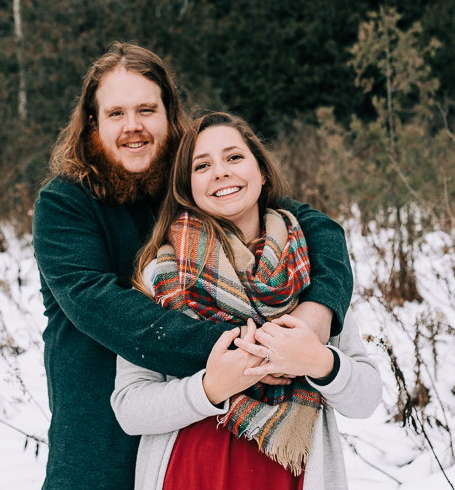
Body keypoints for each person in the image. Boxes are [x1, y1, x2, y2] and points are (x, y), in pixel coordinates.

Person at [32, 43, 353, 490]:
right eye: (116, 113)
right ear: (91, 123)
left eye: (146, 109)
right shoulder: (65, 204)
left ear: (170, 114)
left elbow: (318, 227)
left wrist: (319, 309)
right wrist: (245, 349)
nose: (133, 127)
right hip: (99, 441)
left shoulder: (193, 182)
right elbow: (96, 302)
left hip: (192, 444)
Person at [110, 112, 381, 489]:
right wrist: (211, 387)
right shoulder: (161, 276)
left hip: (290, 476)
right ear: (187, 188)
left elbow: (365, 398)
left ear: (262, 171)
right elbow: (130, 407)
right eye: (202, 165)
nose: (221, 172)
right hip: (189, 475)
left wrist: (317, 360)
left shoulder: (309, 268)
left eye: (234, 157)